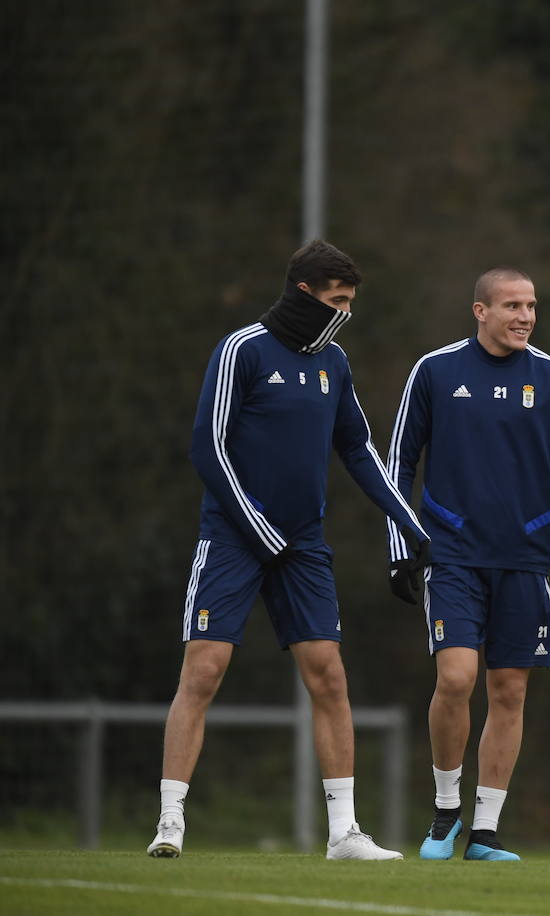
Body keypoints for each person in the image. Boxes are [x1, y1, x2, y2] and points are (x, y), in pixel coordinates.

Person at [148, 240, 431, 860]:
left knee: (329, 675)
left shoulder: (336, 363)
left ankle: (343, 834)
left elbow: (358, 452)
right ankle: (171, 820)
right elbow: (208, 448)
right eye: (337, 300)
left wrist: (415, 526)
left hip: (303, 546)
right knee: (204, 668)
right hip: (232, 539)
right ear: (305, 294)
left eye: (350, 303)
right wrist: (256, 528)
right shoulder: (243, 349)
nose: (344, 313)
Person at [385, 267, 550, 862]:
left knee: (509, 690)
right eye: (512, 306)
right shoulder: (435, 371)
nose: (525, 316)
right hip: (451, 553)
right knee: (455, 678)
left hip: (525, 558)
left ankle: (484, 832)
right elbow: (397, 462)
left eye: (531, 306)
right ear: (480, 311)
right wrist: (400, 547)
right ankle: (446, 807)